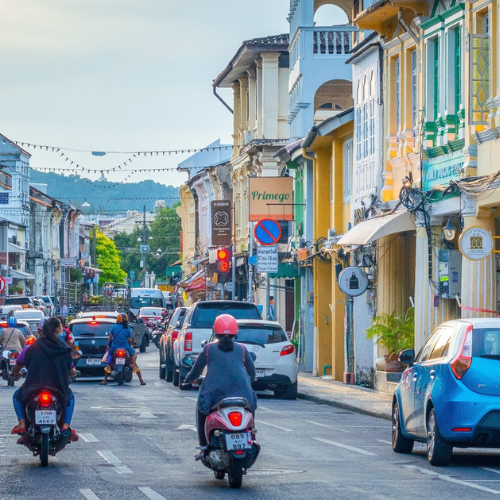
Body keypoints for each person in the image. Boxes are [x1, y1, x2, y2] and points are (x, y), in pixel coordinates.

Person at [185, 314, 257, 454]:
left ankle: (204, 447)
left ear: (215, 331)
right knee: (250, 411)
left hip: (215, 396)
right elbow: (252, 372)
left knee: (202, 410)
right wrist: (250, 381)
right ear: (235, 332)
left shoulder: (208, 349)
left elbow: (195, 371)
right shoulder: (242, 349)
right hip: (243, 395)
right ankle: (252, 437)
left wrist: (188, 379)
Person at [10, 317, 78, 442]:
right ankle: (66, 426)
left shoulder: (31, 348)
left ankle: (22, 423)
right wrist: (72, 373)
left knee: (16, 396)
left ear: (41, 331)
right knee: (71, 397)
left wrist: (16, 373)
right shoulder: (64, 348)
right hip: (59, 388)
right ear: (58, 330)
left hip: (32, 387)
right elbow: (72, 370)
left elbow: (16, 367)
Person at [100, 313, 146, 386]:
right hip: (125, 347)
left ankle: (105, 380)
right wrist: (131, 344)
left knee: (109, 358)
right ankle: (140, 378)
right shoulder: (127, 329)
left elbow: (110, 337)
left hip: (114, 347)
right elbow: (130, 340)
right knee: (134, 354)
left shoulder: (114, 327)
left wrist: (109, 344)